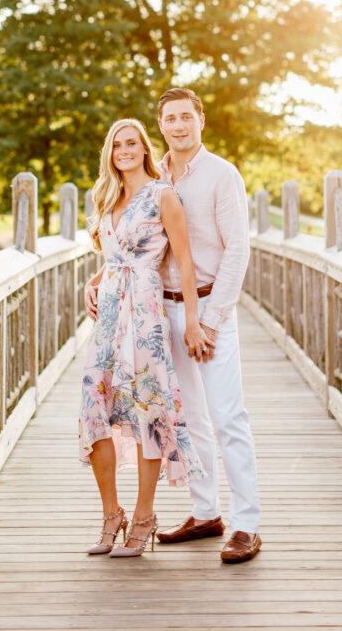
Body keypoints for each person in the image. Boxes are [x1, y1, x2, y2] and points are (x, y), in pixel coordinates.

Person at [87, 88, 262, 564]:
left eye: (187, 116)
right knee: (185, 417)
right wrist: (103, 274)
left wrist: (207, 322)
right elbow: (137, 240)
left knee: (228, 417)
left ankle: (247, 523)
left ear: (200, 119)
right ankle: (205, 511)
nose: (179, 125)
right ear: (159, 125)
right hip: (154, 315)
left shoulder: (223, 176)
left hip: (206, 311)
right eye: (170, 118)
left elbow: (237, 252)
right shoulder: (154, 173)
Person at [79, 117, 210, 558]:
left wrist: (193, 321)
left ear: (145, 149)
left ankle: (144, 516)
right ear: (110, 153)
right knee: (96, 407)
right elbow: (114, 253)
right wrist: (93, 280)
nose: (125, 151)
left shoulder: (162, 195)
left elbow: (186, 263)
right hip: (109, 312)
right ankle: (110, 513)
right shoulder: (109, 196)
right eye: (118, 146)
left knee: (148, 408)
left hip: (146, 311)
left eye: (132, 143)